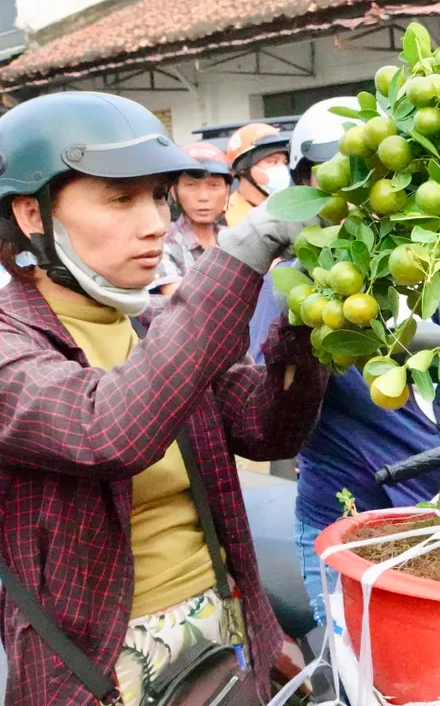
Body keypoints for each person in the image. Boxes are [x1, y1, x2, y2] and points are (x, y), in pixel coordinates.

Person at [0, 92, 328, 706]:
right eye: (120, 198)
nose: (153, 221)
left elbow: (266, 430)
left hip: (223, 638)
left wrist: (307, 316)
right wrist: (243, 251)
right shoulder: (10, 346)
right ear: (30, 214)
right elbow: (105, 430)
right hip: (97, 668)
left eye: (155, 195)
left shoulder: (155, 327)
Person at [246, 97, 440, 626]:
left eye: (373, 174)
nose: (356, 191)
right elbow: (262, 396)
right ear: (303, 186)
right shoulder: (295, 288)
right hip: (350, 523)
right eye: (335, 175)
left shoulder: (439, 271)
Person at [153, 142, 233, 295]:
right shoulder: (161, 242)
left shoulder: (237, 240)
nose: (203, 197)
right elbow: (180, 298)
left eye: (214, 185)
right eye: (191, 185)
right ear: (174, 192)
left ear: (227, 191)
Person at [223, 122, 291, 227]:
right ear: (243, 168)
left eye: (284, 162)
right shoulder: (226, 217)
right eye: (273, 162)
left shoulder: (291, 210)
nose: (281, 168)